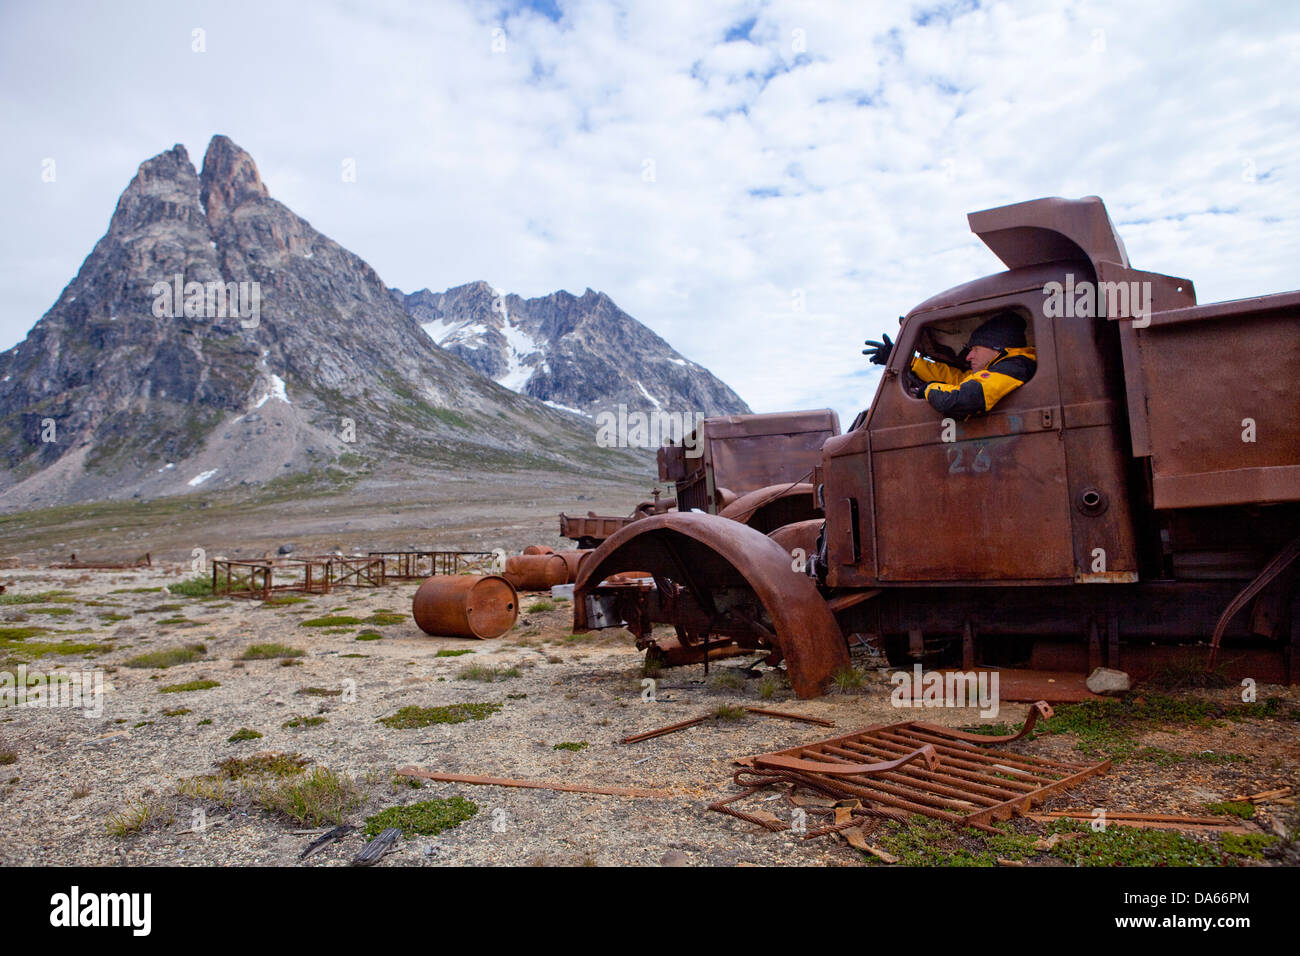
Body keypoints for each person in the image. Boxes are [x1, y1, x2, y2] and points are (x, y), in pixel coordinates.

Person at [863, 311, 1037, 418]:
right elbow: (956, 378)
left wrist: (928, 389)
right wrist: (910, 362)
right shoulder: (1001, 370)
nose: (968, 357)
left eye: (975, 349)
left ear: (997, 348)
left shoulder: (1015, 367)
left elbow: (963, 398)